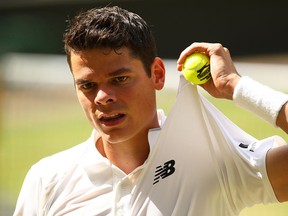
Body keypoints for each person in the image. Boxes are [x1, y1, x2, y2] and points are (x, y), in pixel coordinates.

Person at [13, 6, 288, 216]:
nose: (103, 97)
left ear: (157, 74)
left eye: (119, 79)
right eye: (87, 85)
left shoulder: (215, 160)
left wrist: (236, 87)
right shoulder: (46, 178)